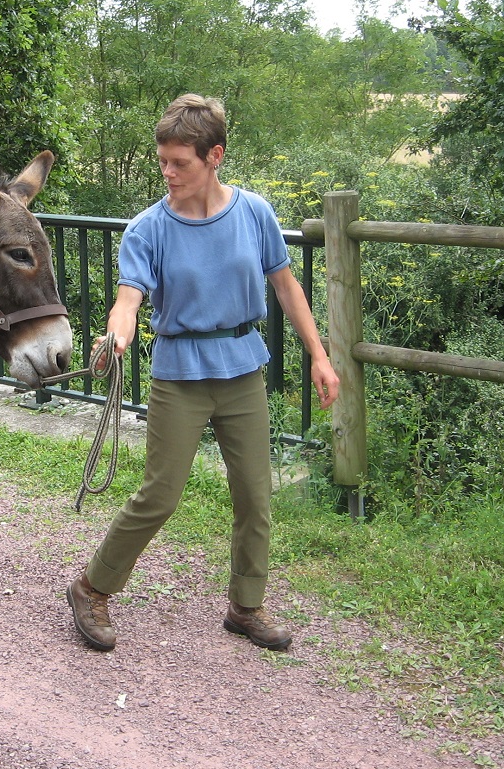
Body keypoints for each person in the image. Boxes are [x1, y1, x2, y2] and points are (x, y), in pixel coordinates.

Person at [66, 94, 340, 653]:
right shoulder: (148, 228)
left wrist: (319, 354)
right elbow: (128, 298)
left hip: (242, 368)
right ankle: (91, 587)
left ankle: (246, 606)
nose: (168, 174)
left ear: (214, 155)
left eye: (180, 163)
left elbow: (286, 286)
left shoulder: (255, 213)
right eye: (162, 161)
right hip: (180, 373)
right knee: (160, 495)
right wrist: (117, 332)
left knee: (254, 495)